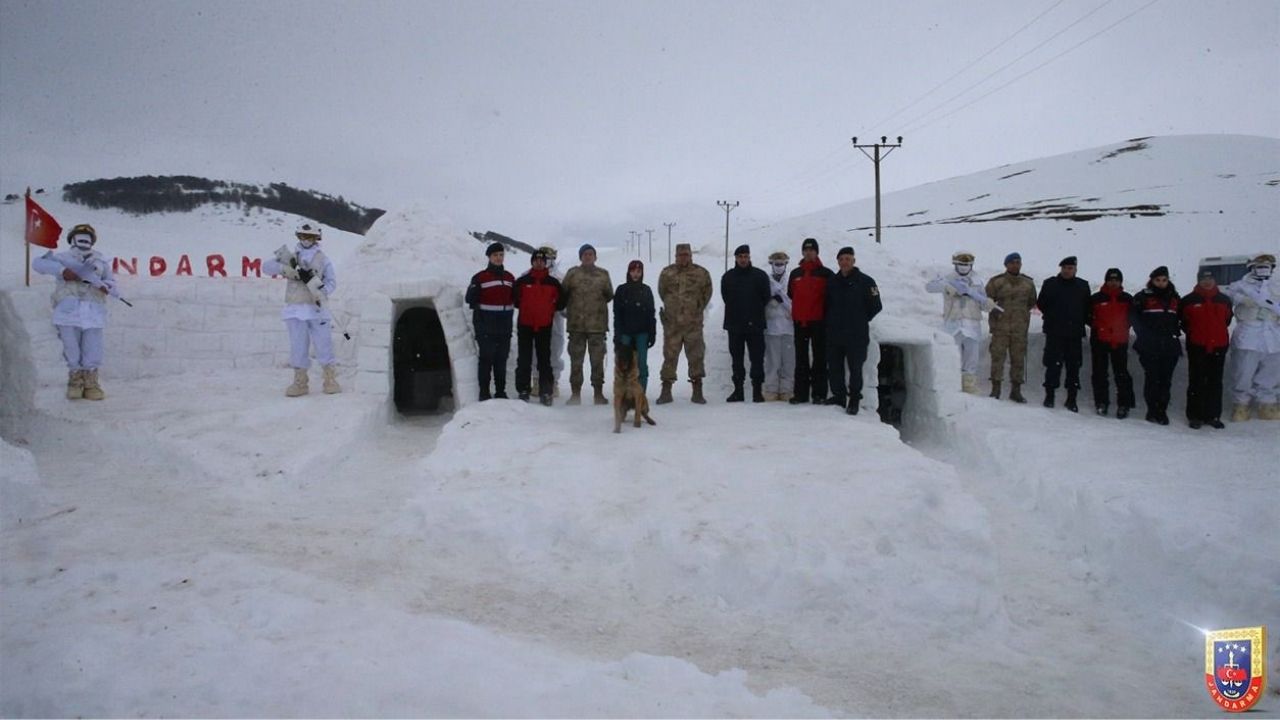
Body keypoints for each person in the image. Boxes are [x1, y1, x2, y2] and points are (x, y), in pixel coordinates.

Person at [31, 223, 118, 401]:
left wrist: (105, 287)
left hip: (93, 311)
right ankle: (75, 382)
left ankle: (91, 383)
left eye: (88, 237)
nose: (84, 240)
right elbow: (38, 263)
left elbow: (111, 282)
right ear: (73, 239)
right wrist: (62, 271)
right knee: (71, 348)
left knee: (93, 348)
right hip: (68, 311)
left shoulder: (100, 262)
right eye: (80, 236)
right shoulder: (62, 258)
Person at [262, 220, 340, 397]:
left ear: (316, 238)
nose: (306, 240)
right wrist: (286, 270)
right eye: (303, 236)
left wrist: (320, 290)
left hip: (317, 309)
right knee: (298, 345)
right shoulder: (290, 257)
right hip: (295, 308)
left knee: (323, 344)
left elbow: (331, 282)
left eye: (310, 237)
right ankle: (300, 381)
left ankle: (329, 378)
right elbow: (266, 267)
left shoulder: (323, 259)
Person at [926, 251, 995, 394]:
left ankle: (968, 384)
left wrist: (988, 304)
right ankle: (953, 383)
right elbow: (929, 287)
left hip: (972, 323)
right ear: (955, 265)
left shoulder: (977, 282)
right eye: (961, 264)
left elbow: (983, 302)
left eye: (967, 264)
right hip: (953, 322)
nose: (964, 267)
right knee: (953, 354)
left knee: (972, 356)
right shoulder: (948, 279)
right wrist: (946, 287)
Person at [824, 246, 882, 415]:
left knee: (855, 368)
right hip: (835, 333)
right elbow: (827, 304)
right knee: (835, 366)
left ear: (853, 261)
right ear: (838, 261)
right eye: (841, 259)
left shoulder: (866, 281)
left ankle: (854, 399)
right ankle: (839, 396)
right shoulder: (832, 282)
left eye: (848, 259)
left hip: (856, 334)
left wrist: (860, 319)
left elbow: (876, 306)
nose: (844, 262)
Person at [1223, 254, 1280, 421]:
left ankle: (1267, 404)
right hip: (1248, 335)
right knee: (1243, 372)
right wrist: (1242, 299)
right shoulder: (1240, 286)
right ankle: (1241, 405)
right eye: (1259, 266)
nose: (1263, 269)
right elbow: (1228, 295)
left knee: (1271, 372)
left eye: (1267, 266)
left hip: (1273, 335)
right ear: (1252, 268)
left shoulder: (1277, 286)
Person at [656, 243, 713, 404]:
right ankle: (666, 390)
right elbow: (662, 292)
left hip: (693, 324)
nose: (683, 257)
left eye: (686, 254)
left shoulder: (701, 273)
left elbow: (707, 293)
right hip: (672, 325)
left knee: (696, 356)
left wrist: (696, 307)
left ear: (690, 255)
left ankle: (697, 391)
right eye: (680, 255)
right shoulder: (667, 273)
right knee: (669, 357)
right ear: (676, 256)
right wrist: (673, 307)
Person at [1179, 269, 1233, 429]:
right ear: (1198, 281)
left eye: (1210, 278)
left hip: (1219, 345)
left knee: (1215, 382)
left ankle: (1213, 415)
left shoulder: (1224, 300)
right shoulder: (1188, 300)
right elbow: (1183, 321)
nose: (1207, 282)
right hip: (1197, 346)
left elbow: (1227, 320)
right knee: (1196, 381)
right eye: (1203, 279)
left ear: (1215, 280)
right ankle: (1195, 416)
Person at [1036, 256, 1091, 411]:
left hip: (1074, 334)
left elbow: (1087, 308)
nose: (1067, 271)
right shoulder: (1050, 284)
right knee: (1052, 365)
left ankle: (1072, 398)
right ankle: (1050, 395)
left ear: (1075, 269)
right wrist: (1053, 317)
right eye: (1064, 268)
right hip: (1054, 332)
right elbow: (1041, 304)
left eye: (1070, 268)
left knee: (1074, 367)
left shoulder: (1082, 286)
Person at [561, 243, 614, 405]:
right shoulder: (572, 274)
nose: (588, 256)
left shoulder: (603, 274)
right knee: (576, 362)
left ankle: (598, 393)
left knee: (597, 361)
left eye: (591, 254)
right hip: (576, 326)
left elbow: (609, 295)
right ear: (580, 257)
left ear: (595, 257)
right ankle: (575, 394)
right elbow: (563, 293)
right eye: (585, 254)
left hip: (597, 327)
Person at [1130, 266, 1181, 425]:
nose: (1161, 283)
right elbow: (1134, 318)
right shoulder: (1142, 297)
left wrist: (1176, 331)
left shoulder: (1174, 298)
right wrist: (1144, 335)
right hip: (1149, 346)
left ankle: (1162, 411)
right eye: (1157, 280)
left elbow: (1182, 318)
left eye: (1164, 280)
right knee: (1152, 378)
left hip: (1169, 346)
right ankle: (1152, 410)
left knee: (1166, 380)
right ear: (1152, 281)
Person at [513, 250, 565, 405]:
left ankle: (546, 391)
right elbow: (515, 300)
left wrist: (548, 309)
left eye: (542, 260)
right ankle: (523, 390)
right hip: (525, 325)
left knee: (544, 360)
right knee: (524, 359)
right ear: (532, 262)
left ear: (546, 263)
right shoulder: (522, 281)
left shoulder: (553, 282)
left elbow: (561, 302)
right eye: (536, 260)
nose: (539, 263)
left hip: (544, 326)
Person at [464, 242, 515, 401]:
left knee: (501, 360)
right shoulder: (480, 277)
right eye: (495, 255)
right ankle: (484, 393)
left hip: (504, 327)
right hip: (486, 327)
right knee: (486, 360)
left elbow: (516, 298)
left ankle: (500, 392)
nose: (498, 258)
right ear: (489, 257)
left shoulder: (509, 278)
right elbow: (470, 299)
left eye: (501, 255)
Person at [720, 244, 771, 402]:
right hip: (734, 325)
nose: (743, 259)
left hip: (755, 325)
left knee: (757, 359)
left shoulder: (760, 276)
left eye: (745, 256)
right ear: (736, 258)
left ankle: (757, 391)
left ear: (749, 257)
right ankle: (738, 390)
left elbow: (766, 297)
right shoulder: (728, 277)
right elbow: (726, 297)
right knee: (737, 359)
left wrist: (753, 312)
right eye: (740, 257)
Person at [984, 252, 1037, 402]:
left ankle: (1016, 390)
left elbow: (1031, 302)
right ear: (1006, 265)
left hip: (1019, 329)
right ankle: (996, 389)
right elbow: (987, 301)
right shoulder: (996, 282)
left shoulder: (1028, 283)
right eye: (1012, 263)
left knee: (1018, 360)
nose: (1015, 265)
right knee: (997, 358)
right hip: (1000, 328)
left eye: (1017, 262)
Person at [788, 237, 834, 404]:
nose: (808, 253)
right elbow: (791, 294)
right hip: (800, 322)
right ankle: (800, 394)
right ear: (802, 252)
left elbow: (831, 297)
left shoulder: (826, 273)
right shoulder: (795, 273)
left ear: (817, 252)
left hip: (819, 322)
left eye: (812, 250)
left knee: (820, 358)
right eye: (806, 250)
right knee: (801, 359)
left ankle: (819, 394)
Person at [1086, 268, 1135, 418]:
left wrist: (1122, 328)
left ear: (1121, 282)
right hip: (1099, 340)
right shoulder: (1096, 298)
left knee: (1121, 373)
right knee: (1100, 373)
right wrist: (1098, 327)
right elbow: (1088, 316)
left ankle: (1123, 404)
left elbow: (1133, 318)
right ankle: (1101, 402)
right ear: (1106, 281)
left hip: (1120, 341)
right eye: (1110, 280)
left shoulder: (1127, 299)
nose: (1113, 283)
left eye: (1116, 280)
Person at [613, 260, 656, 391]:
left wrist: (652, 333)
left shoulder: (646, 290)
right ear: (628, 272)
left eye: (638, 271)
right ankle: (623, 393)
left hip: (642, 334)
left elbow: (651, 313)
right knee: (623, 364)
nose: (635, 274)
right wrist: (618, 335)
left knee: (641, 364)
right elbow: (617, 314)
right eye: (633, 271)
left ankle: (640, 393)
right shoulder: (621, 290)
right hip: (625, 333)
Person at [531, 245, 566, 398]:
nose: (548, 260)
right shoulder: (529, 275)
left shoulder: (561, 278)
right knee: (535, 350)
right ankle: (536, 380)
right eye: (545, 257)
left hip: (555, 321)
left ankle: (554, 381)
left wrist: (565, 311)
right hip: (535, 320)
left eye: (552, 257)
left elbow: (566, 301)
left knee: (555, 350)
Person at [763, 251, 795, 401]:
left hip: (789, 326)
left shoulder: (791, 280)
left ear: (786, 264)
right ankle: (771, 389)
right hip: (772, 327)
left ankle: (786, 390)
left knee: (788, 362)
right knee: (772, 361)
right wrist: (771, 303)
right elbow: (762, 301)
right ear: (771, 264)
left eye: (781, 264)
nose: (779, 266)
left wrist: (784, 302)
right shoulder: (766, 281)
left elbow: (795, 301)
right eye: (776, 264)